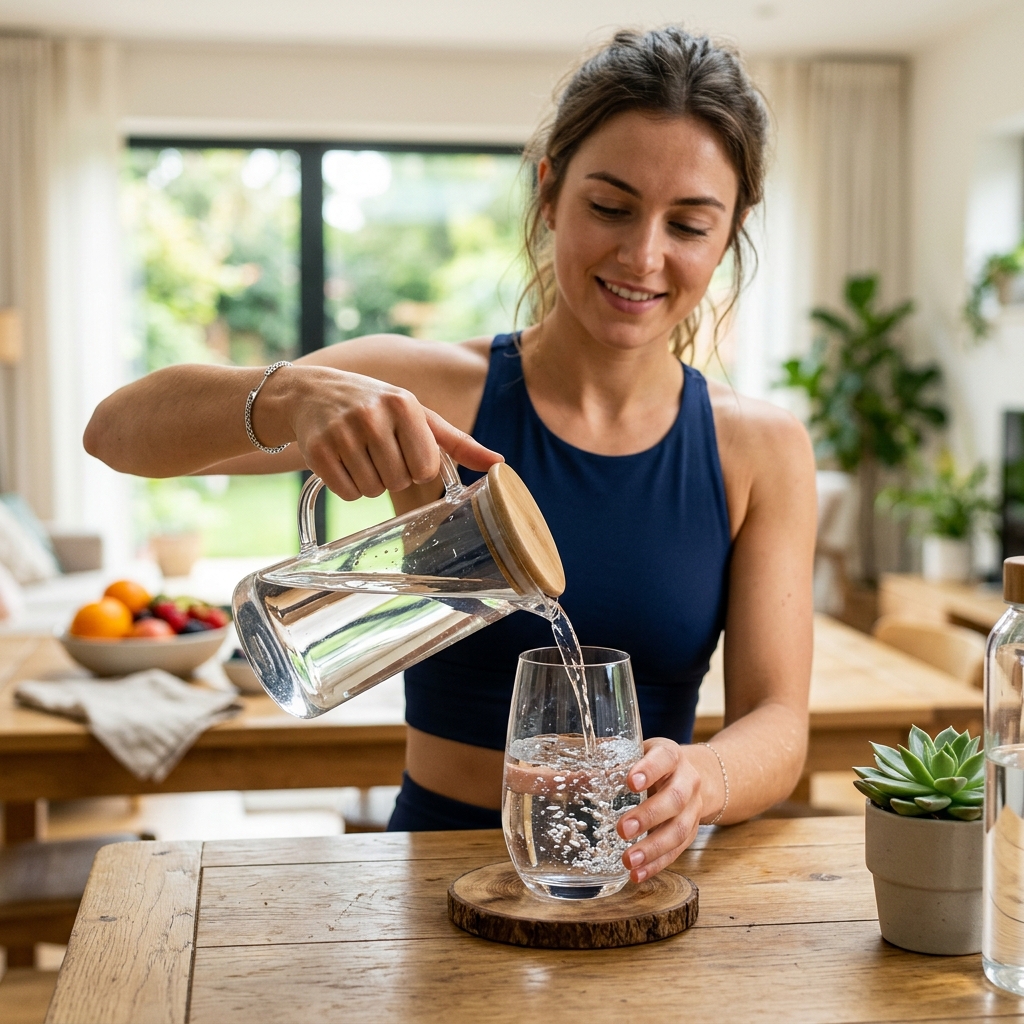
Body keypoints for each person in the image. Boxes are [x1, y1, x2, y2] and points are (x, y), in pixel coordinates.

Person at [85, 27, 815, 884]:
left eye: (688, 224)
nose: (643, 255)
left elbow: (779, 720)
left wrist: (704, 777)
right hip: (435, 876)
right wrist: (287, 395)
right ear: (550, 192)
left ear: (728, 234)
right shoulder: (429, 391)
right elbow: (114, 433)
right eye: (611, 208)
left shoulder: (759, 448)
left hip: (638, 887)